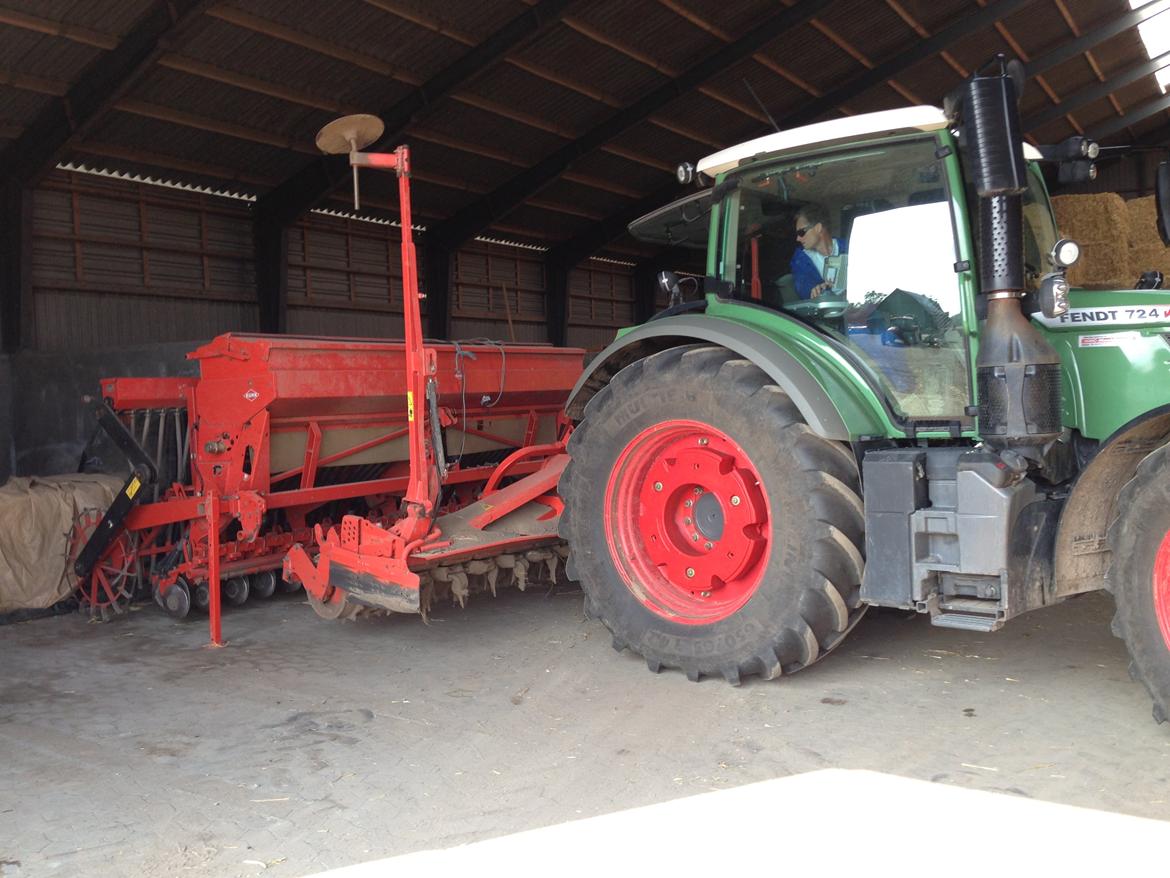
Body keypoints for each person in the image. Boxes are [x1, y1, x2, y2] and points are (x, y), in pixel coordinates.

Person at [790, 204, 847, 300]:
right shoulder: (800, 260)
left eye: (801, 232)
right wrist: (815, 290)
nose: (798, 238)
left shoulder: (850, 246)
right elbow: (803, 284)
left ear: (818, 228)